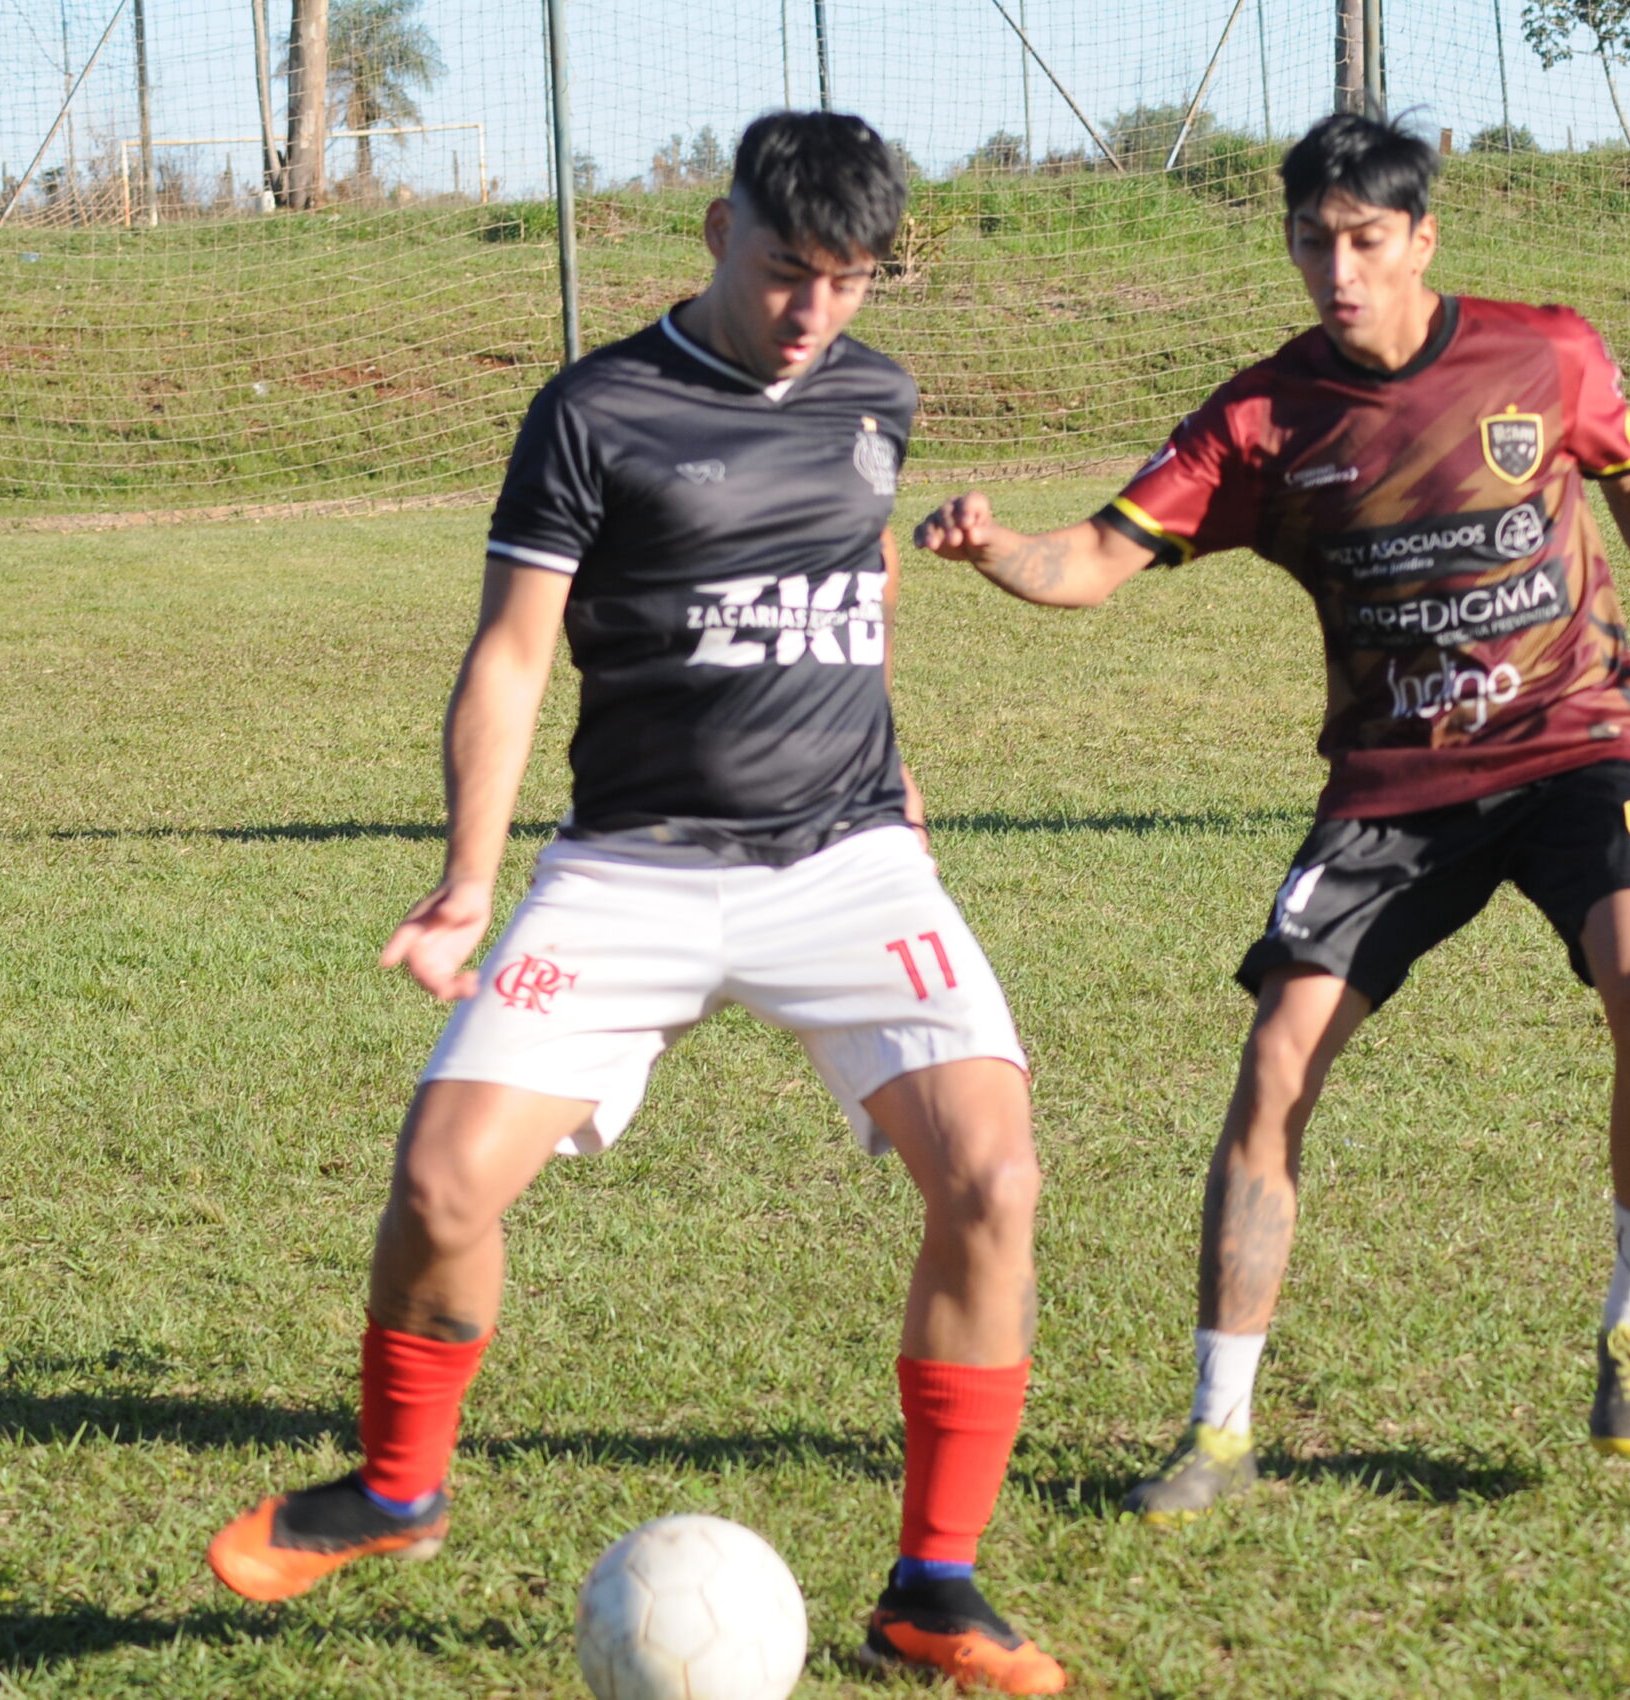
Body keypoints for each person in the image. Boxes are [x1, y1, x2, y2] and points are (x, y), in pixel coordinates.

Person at [202, 112, 1067, 1695]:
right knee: (442, 1186)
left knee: (994, 1180)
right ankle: (396, 1490)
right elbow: (512, 652)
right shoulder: (594, 411)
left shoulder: (877, 394)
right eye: (789, 270)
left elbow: (853, 587)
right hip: (631, 866)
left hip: (848, 862)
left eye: (852, 280)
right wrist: (468, 881)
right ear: (719, 229)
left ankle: (935, 1588)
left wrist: (901, 776)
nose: (814, 311)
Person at [914, 112, 1630, 1523]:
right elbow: (1097, 556)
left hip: (1574, 745)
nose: (1339, 271)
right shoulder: (1265, 419)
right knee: (1276, 1063)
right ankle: (1217, 1427)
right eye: (1312, 242)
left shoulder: (1545, 354)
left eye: (1366, 241)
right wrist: (999, 547)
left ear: (1422, 239)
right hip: (1391, 789)